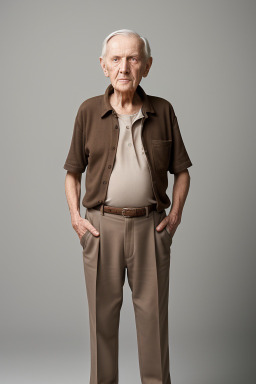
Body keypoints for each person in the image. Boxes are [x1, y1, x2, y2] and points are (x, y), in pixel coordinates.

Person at [63, 29, 192, 384]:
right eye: (116, 59)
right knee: (101, 321)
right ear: (103, 65)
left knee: (153, 321)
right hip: (101, 229)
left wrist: (175, 216)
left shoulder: (163, 110)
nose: (124, 67)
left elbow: (182, 172)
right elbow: (72, 173)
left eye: (133, 59)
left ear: (147, 66)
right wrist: (76, 218)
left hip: (151, 227)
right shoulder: (88, 111)